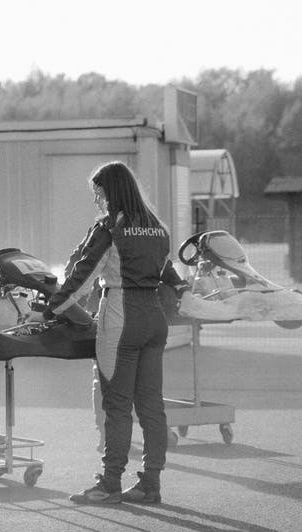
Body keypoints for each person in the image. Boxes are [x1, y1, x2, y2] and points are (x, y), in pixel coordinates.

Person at [42, 161, 185, 505]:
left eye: (99, 192)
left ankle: (109, 484)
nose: (97, 200)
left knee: (116, 405)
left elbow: (81, 274)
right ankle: (151, 484)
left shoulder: (110, 227)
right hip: (154, 317)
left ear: (111, 191)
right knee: (151, 406)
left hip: (120, 316)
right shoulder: (158, 227)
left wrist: (51, 309)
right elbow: (169, 274)